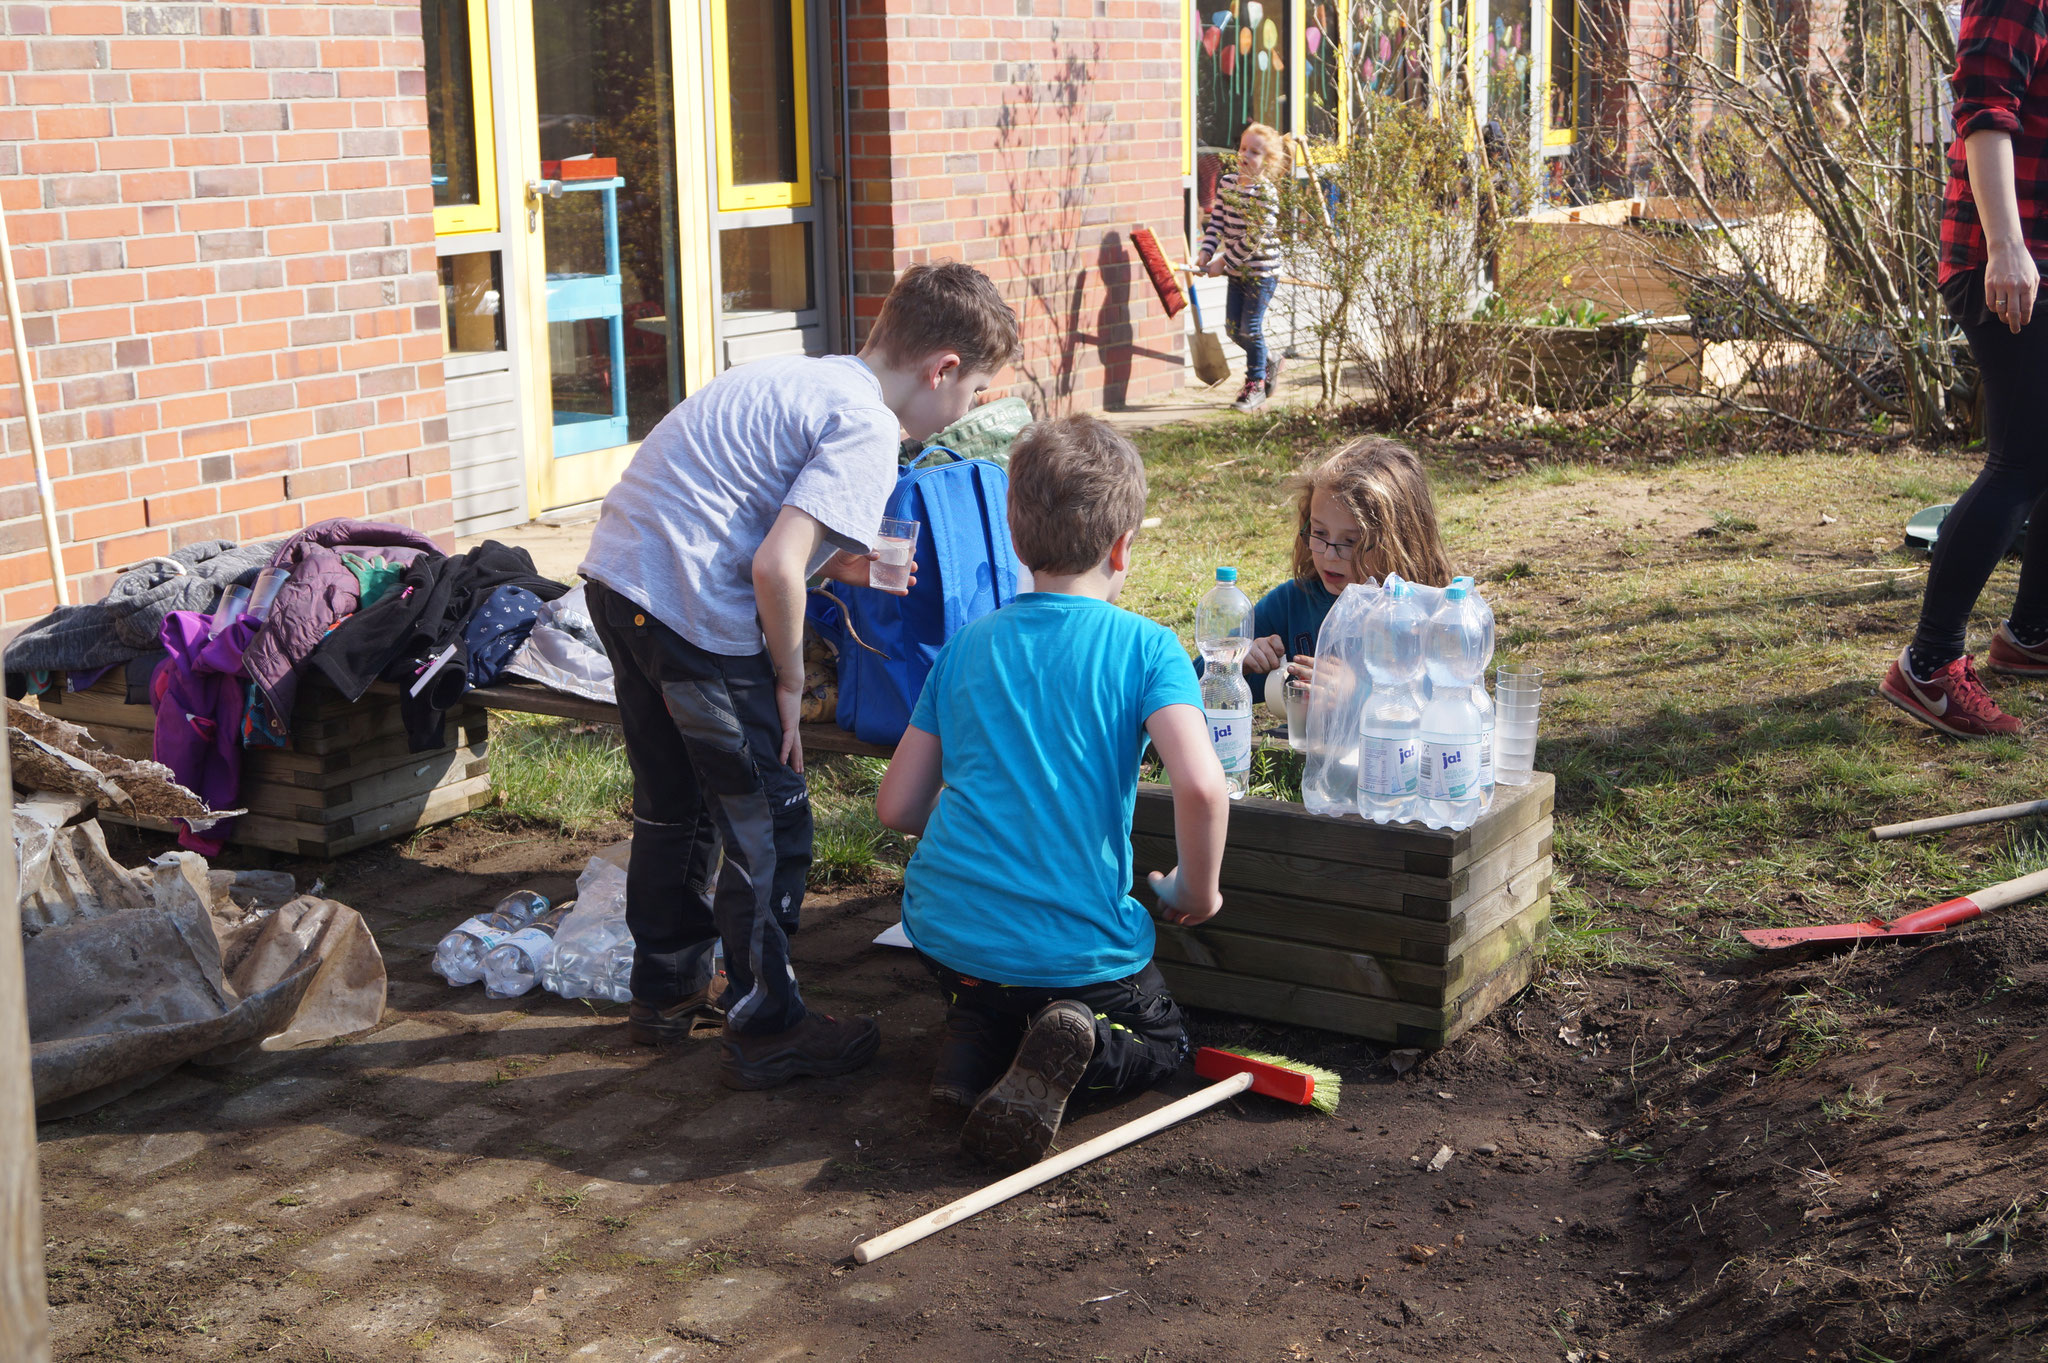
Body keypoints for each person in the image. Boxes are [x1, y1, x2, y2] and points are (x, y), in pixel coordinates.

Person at [578, 261, 1021, 1089]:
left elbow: (750, 517)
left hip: (619, 582)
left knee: (674, 804)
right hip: (689, 613)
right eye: (975, 392)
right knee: (770, 814)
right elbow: (775, 567)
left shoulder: (810, 376)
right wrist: (786, 680)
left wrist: (838, 569)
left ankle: (666, 993)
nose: (962, 415)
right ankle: (767, 1025)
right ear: (944, 369)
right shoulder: (868, 426)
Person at [874, 414, 1231, 1168]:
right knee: (1165, 1042)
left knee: (992, 985)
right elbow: (1202, 786)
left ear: (1014, 536)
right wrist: (1198, 886)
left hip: (944, 937)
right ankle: (1089, 1045)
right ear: (1124, 543)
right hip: (1077, 951)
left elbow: (897, 807)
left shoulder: (969, 643)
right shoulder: (1147, 648)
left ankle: (971, 1055)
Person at [1880, 0, 2047, 737]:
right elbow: (1983, 110)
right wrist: (2006, 245)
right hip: (2004, 261)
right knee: (2024, 457)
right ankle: (1928, 666)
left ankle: (2030, 635)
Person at [1236, 436, 1454, 705]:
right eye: (1319, 532)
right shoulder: (1291, 604)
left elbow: (1446, 703)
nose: (1329, 554)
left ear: (1400, 540)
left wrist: (1357, 692)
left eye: (1351, 542)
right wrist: (1236, 663)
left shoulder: (1431, 618)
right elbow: (1189, 687)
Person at [1197, 122, 1289, 413]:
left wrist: (1222, 262)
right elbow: (1217, 225)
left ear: (1269, 161)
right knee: (1234, 330)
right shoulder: (1226, 184)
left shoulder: (1266, 195)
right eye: (1243, 148)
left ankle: (1255, 385)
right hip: (1237, 272)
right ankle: (1268, 359)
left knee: (1250, 329)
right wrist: (1205, 253)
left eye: (1254, 152)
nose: (1245, 155)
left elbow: (1254, 239)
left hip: (1261, 272)